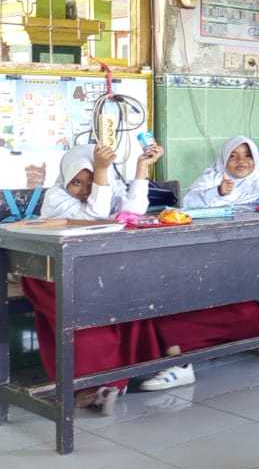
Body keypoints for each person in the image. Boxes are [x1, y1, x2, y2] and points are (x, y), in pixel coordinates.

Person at [21, 143, 168, 413]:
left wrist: (140, 168)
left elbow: (134, 210)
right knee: (85, 315)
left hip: (96, 271)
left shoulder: (108, 189)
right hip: (50, 274)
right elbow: (95, 216)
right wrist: (100, 170)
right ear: (65, 178)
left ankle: (122, 375)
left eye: (95, 180)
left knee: (136, 296)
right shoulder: (56, 198)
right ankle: (88, 385)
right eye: (77, 182)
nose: (87, 189)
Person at [140, 136, 259, 388]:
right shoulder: (213, 178)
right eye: (233, 155)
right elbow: (189, 203)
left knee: (240, 286)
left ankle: (254, 337)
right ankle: (187, 354)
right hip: (206, 254)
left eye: (247, 155)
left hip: (244, 254)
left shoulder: (256, 186)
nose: (240, 161)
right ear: (224, 159)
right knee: (191, 288)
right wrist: (219, 192)